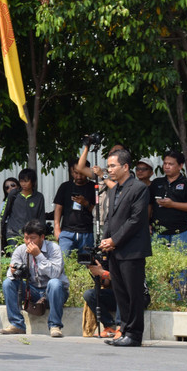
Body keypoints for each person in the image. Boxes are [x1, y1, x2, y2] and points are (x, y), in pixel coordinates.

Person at [100, 148, 152, 347]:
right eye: (108, 166)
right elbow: (110, 219)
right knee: (120, 293)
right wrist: (106, 241)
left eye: (113, 166)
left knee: (133, 294)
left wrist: (114, 240)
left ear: (125, 167)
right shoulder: (114, 190)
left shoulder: (139, 188)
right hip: (115, 250)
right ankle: (124, 330)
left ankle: (135, 334)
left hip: (132, 250)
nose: (109, 169)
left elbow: (135, 220)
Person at [0, 220, 69, 337]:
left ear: (42, 237)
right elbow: (11, 275)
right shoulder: (20, 250)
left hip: (54, 292)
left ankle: (55, 325)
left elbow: (55, 274)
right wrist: (13, 271)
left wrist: (39, 255)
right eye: (26, 238)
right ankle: (17, 324)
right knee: (8, 283)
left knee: (55, 283)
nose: (28, 242)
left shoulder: (54, 248)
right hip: (32, 291)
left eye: (32, 238)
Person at [53, 163, 97, 256]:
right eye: (75, 173)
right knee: (64, 261)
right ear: (71, 172)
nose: (79, 176)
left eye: (82, 173)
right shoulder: (65, 186)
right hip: (67, 232)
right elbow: (58, 207)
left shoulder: (94, 187)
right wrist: (56, 227)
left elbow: (98, 211)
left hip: (86, 232)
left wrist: (85, 203)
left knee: (86, 264)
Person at [149, 150, 187, 248]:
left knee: (179, 263)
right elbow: (149, 205)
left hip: (180, 233)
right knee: (157, 262)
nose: (167, 166)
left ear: (180, 166)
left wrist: (172, 204)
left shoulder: (186, 183)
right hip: (157, 232)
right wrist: (147, 224)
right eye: (165, 163)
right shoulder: (157, 182)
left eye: (170, 164)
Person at [1, 168, 46, 249]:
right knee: (15, 258)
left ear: (33, 181)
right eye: (21, 181)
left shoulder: (39, 197)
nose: (23, 184)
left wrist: (41, 234)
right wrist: (0, 230)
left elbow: (41, 217)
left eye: (26, 181)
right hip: (13, 234)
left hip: (31, 235)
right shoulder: (13, 194)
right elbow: (4, 213)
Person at [83, 256, 119, 339]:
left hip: (135, 298)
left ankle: (120, 328)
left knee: (121, 294)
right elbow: (106, 283)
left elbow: (122, 281)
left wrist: (103, 272)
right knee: (89, 294)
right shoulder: (108, 257)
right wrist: (98, 273)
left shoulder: (126, 257)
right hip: (116, 296)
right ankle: (108, 326)